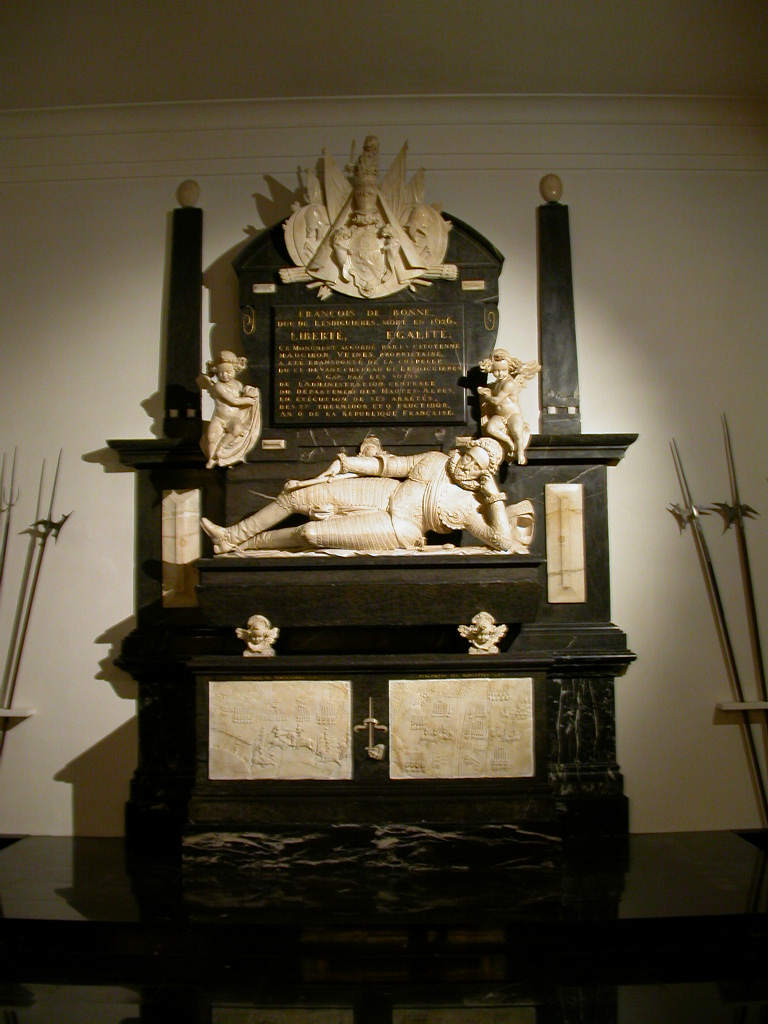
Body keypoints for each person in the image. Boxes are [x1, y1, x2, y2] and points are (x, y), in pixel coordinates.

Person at [201, 437, 534, 554]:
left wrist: (493, 498)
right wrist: (348, 463)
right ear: (464, 451)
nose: (466, 466)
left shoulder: (469, 505)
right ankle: (232, 535)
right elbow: (389, 465)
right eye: (468, 457)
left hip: (398, 527)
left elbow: (502, 542)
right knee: (298, 497)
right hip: (384, 491)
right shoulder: (436, 460)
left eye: (476, 467)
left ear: (483, 474)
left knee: (310, 533)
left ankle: (247, 546)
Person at [477, 349, 540, 465]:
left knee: (517, 432)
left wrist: (486, 396)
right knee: (490, 428)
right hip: (500, 416)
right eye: (496, 371)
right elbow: (491, 391)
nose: (500, 374)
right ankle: (509, 441)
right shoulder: (496, 384)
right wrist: (484, 389)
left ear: (509, 369)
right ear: (491, 369)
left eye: (504, 370)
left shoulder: (509, 384)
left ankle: (520, 453)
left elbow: (496, 401)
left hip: (512, 414)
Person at [201, 351, 261, 468]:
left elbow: (242, 397)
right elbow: (234, 401)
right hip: (219, 418)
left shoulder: (238, 385)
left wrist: (250, 392)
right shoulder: (219, 386)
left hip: (233, 418)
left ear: (235, 370)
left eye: (228, 372)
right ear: (216, 372)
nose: (224, 375)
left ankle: (221, 449)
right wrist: (249, 400)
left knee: (237, 429)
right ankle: (211, 459)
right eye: (221, 372)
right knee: (211, 437)